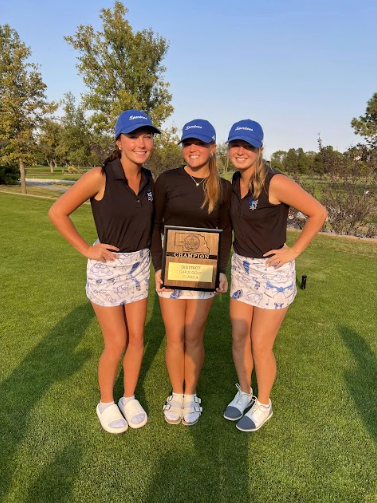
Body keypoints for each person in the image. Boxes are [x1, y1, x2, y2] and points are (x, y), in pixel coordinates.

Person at [48, 109, 160, 434]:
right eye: (134, 136)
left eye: (147, 136)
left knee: (138, 337)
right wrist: (87, 249)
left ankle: (128, 397)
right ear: (119, 141)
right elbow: (58, 211)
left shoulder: (151, 179)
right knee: (118, 341)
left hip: (139, 267)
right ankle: (106, 402)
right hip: (108, 268)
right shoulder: (101, 175)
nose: (142, 143)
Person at [223, 119, 328, 432]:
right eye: (235, 145)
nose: (241, 151)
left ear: (260, 149)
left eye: (248, 146)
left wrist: (293, 251)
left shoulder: (276, 182)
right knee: (239, 337)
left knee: (260, 343)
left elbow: (318, 213)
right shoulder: (233, 182)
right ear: (229, 148)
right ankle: (245, 391)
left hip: (272, 272)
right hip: (241, 268)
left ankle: (264, 404)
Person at [151, 119, 232, 425]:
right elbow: (155, 225)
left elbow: (225, 230)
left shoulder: (223, 187)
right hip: (171, 271)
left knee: (193, 335)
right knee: (174, 336)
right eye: (188, 143)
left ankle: (191, 394)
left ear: (212, 148)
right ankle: (176, 393)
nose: (193, 149)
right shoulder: (167, 180)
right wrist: (158, 266)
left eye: (200, 143)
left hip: (204, 273)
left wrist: (221, 270)